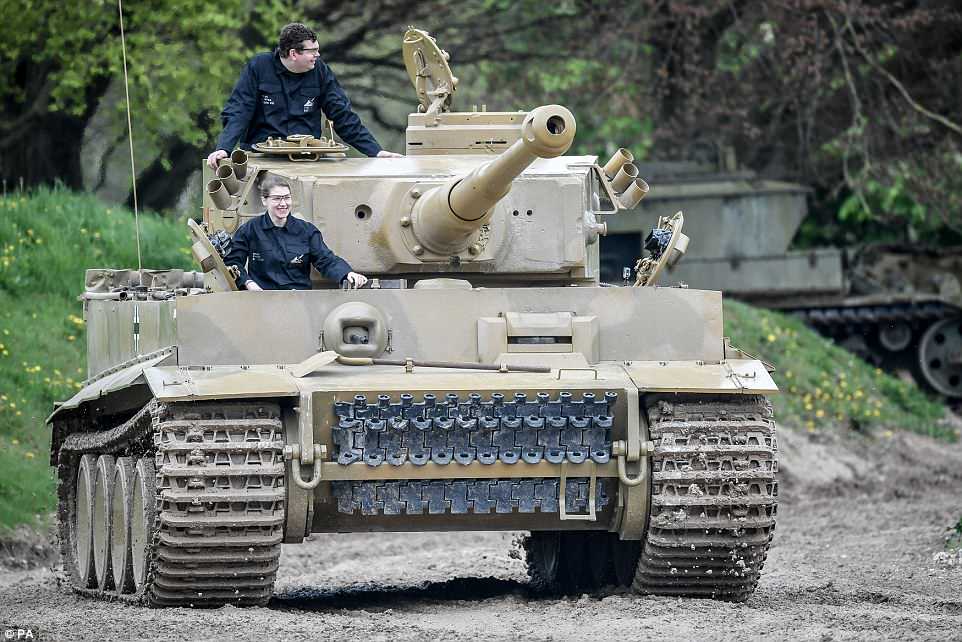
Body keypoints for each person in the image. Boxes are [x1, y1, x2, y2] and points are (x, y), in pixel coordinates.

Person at [207, 22, 401, 169]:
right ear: (293, 53)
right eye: (313, 51)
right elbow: (239, 111)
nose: (317, 55)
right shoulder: (259, 68)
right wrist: (224, 148)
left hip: (309, 160)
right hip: (263, 159)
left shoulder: (320, 71)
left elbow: (342, 115)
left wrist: (375, 151)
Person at [224, 175, 368, 290]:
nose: (283, 204)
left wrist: (346, 273)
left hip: (300, 300)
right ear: (264, 200)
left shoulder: (307, 231)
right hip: (262, 300)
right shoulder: (249, 230)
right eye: (277, 198)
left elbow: (326, 260)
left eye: (287, 197)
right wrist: (249, 283)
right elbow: (233, 262)